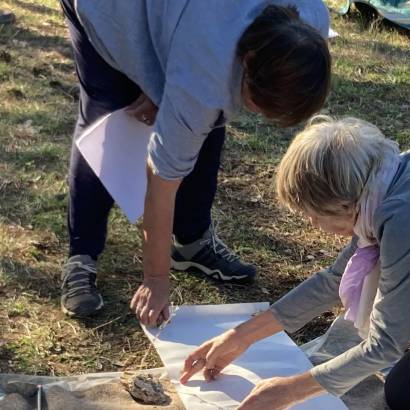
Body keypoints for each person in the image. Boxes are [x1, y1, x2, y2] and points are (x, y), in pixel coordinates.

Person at [59, 0, 331, 324]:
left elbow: (206, 99)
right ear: (249, 58)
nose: (256, 113)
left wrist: (163, 86)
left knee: (208, 119)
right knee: (107, 114)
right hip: (111, 9)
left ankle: (191, 241)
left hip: (185, 20)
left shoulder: (311, 20)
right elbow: (161, 182)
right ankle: (82, 255)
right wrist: (156, 281)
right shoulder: (206, 79)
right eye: (257, 102)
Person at [180, 117, 410, 410]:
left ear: (342, 203)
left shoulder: (399, 218)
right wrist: (241, 336)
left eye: (313, 215)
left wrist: (291, 391)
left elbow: (387, 342)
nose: (314, 225)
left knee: (402, 393)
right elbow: (333, 279)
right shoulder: (379, 186)